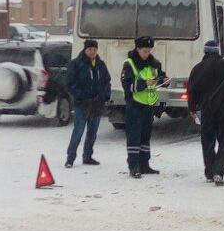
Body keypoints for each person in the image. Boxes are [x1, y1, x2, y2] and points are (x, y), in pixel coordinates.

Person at [187, 40, 224, 186]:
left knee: (207, 141)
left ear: (205, 52)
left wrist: (192, 108)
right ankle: (218, 171)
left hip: (207, 111)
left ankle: (209, 172)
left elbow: (191, 91)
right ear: (218, 51)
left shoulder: (197, 68)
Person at [121, 36, 167, 179]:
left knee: (145, 136)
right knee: (134, 136)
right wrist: (144, 83)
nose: (147, 53)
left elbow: (160, 76)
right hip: (134, 104)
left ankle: (144, 164)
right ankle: (133, 166)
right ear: (138, 49)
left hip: (148, 105)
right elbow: (127, 85)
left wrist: (163, 80)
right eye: (145, 51)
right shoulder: (129, 64)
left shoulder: (154, 63)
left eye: (149, 51)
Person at [65, 39, 111, 168]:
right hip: (81, 103)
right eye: (90, 49)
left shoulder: (101, 65)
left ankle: (88, 156)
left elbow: (106, 81)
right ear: (85, 50)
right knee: (78, 130)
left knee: (93, 132)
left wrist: (105, 96)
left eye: (94, 50)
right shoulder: (76, 64)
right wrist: (80, 95)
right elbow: (70, 83)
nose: (92, 52)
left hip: (97, 103)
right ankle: (70, 158)